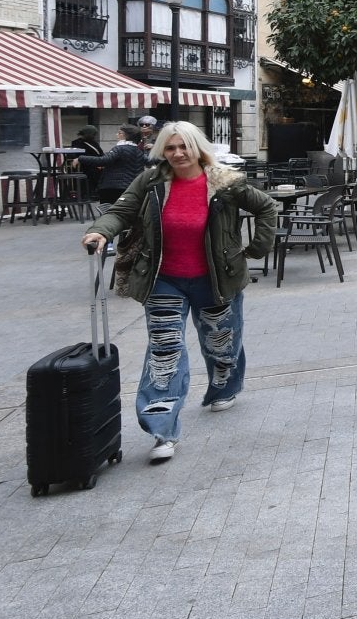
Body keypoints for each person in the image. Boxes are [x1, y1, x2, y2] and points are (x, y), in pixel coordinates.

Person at [80, 121, 278, 466]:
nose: (177, 154)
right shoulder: (152, 181)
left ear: (197, 147)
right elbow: (122, 211)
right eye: (170, 148)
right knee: (164, 352)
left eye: (183, 146)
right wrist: (100, 232)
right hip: (164, 280)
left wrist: (257, 248)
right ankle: (162, 429)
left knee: (222, 344)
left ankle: (225, 385)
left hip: (216, 278)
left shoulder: (224, 181)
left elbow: (266, 207)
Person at [76, 124, 150, 206]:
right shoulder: (138, 151)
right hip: (133, 187)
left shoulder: (119, 148)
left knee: (109, 213)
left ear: (127, 136)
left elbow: (104, 160)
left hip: (113, 187)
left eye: (120, 133)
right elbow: (149, 161)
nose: (117, 135)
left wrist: (81, 158)